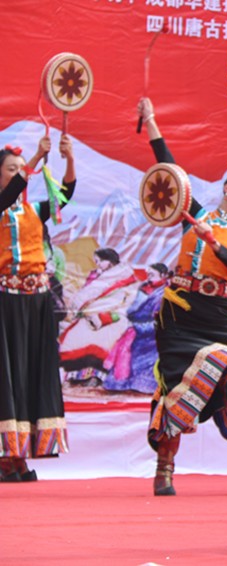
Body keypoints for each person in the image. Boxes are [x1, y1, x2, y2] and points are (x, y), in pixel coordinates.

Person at [137, 97, 227, 496]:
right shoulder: (195, 215)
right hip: (180, 318)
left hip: (219, 319)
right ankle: (164, 472)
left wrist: (213, 241)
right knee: (174, 387)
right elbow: (170, 170)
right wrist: (151, 122)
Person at [0, 135, 75, 481]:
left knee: (32, 373)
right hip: (6, 301)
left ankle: (20, 455)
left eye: (21, 168)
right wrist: (34, 158)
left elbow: (66, 194)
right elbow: (11, 193)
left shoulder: (35, 211)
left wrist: (68, 158)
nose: (19, 173)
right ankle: (6, 458)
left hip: (38, 301)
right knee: (8, 374)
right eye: (11, 168)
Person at [59, 247, 138, 385]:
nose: (98, 264)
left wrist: (106, 316)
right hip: (90, 316)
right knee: (74, 336)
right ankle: (74, 375)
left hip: (114, 318)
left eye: (100, 261)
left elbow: (129, 303)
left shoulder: (127, 278)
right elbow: (84, 296)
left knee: (100, 338)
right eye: (96, 261)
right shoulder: (98, 276)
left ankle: (95, 377)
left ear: (110, 261)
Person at [103, 262, 171, 393]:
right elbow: (132, 309)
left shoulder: (166, 294)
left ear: (163, 275)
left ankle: (144, 387)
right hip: (138, 331)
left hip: (152, 336)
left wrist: (137, 326)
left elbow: (162, 321)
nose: (148, 278)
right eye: (148, 275)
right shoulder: (144, 289)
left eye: (152, 275)